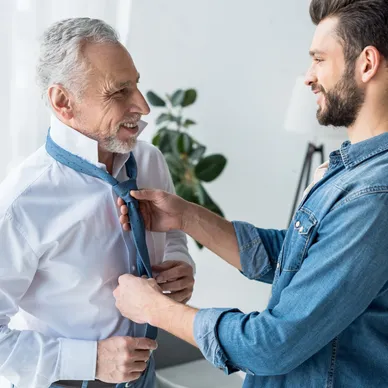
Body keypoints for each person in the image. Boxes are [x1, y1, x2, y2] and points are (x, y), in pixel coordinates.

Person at [114, 0, 388, 387]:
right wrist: (187, 217)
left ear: (366, 63)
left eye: (319, 59)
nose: (309, 77)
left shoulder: (374, 195)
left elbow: (272, 345)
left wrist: (153, 308)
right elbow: (299, 263)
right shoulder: (353, 172)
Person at [0, 18, 195, 388]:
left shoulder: (150, 161)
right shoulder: (22, 202)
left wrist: (179, 267)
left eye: (136, 84)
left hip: (145, 375)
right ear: (63, 102)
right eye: (119, 92)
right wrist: (88, 360)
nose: (143, 106)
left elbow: (172, 239)